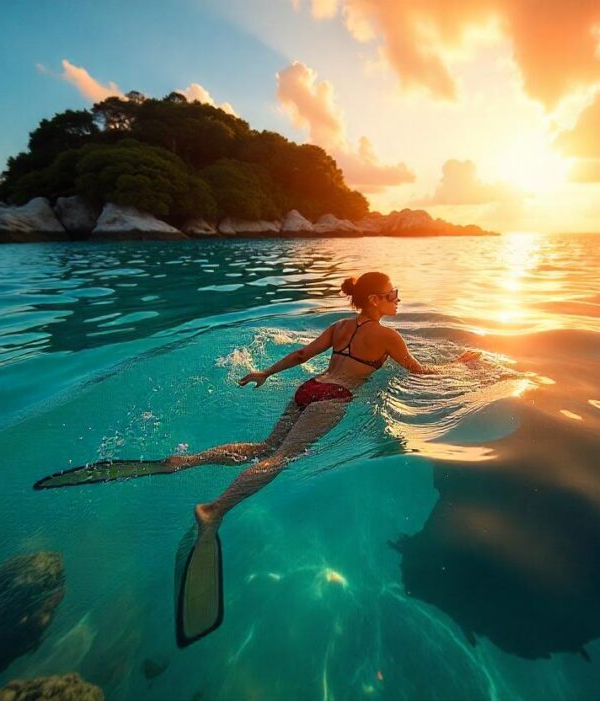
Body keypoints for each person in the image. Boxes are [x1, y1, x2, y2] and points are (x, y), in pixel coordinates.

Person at [34, 272, 480, 646]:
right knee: (280, 459)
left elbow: (305, 355)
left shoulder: (342, 326)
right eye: (394, 295)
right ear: (377, 298)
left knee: (265, 448)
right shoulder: (387, 334)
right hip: (334, 399)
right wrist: (461, 363)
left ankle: (180, 463)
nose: (399, 301)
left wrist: (266, 371)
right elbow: (420, 373)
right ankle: (213, 511)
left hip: (307, 390)